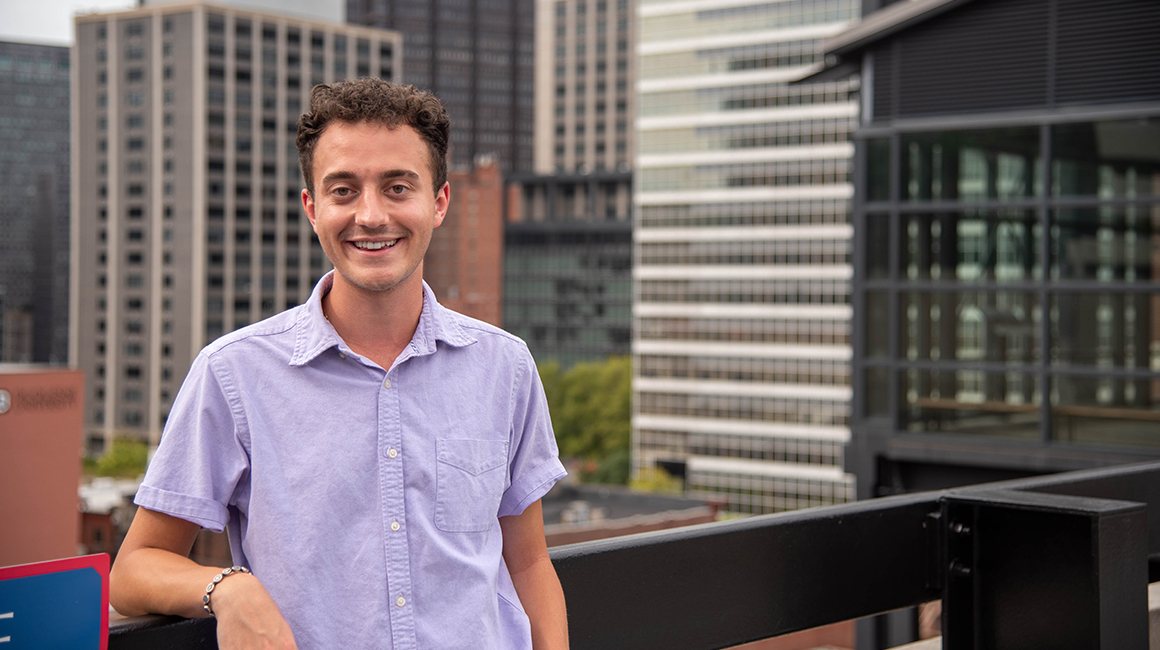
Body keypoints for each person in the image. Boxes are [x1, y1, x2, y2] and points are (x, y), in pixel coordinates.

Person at [109, 78, 570, 650]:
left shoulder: (505, 367)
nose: (371, 216)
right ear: (312, 208)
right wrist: (230, 589)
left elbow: (528, 565)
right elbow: (132, 571)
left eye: (398, 187)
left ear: (440, 202)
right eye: (344, 190)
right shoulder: (234, 375)